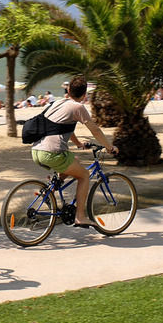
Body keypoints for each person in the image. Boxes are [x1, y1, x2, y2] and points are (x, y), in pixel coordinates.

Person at [30, 76, 117, 228]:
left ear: (68, 90)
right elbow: (95, 130)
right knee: (84, 175)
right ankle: (80, 217)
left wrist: (78, 144)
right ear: (84, 95)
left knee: (72, 160)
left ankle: (50, 190)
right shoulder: (78, 107)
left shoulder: (57, 103)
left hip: (36, 150)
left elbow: (64, 127)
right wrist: (109, 147)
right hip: (51, 153)